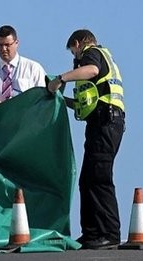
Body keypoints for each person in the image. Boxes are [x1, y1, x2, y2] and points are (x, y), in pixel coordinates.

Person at [47, 29, 125, 249]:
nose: (75, 58)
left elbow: (91, 70)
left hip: (106, 123)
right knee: (88, 180)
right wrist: (63, 100)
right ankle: (91, 233)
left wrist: (60, 79)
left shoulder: (92, 53)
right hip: (100, 123)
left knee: (99, 178)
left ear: (78, 43)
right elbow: (86, 105)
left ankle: (109, 234)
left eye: (74, 51)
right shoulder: (99, 58)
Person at [0, 25, 47, 111]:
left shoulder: (33, 68)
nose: (3, 49)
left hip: (26, 121)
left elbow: (44, 100)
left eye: (7, 45)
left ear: (16, 43)